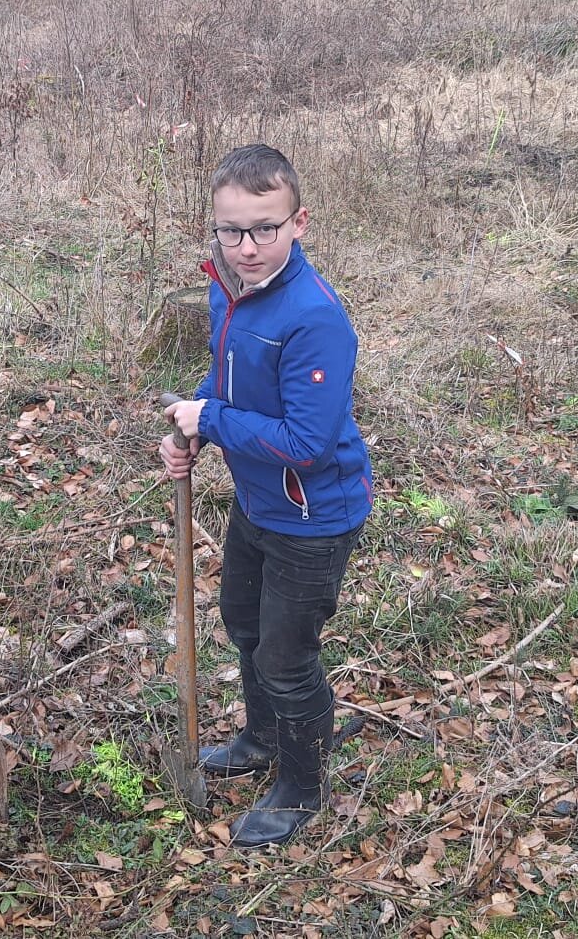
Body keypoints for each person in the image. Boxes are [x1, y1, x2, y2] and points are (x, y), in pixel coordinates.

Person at [160, 143, 373, 848]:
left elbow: (305, 444)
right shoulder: (231, 287)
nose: (246, 246)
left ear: (299, 221)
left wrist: (213, 422)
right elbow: (227, 380)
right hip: (258, 503)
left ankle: (301, 786)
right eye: (231, 229)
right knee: (244, 625)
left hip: (312, 518)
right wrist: (192, 425)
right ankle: (259, 738)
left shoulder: (313, 318)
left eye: (264, 229)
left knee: (286, 655)